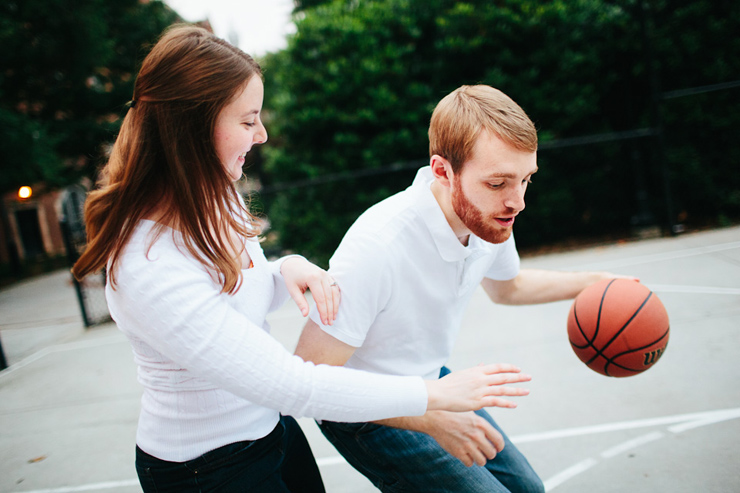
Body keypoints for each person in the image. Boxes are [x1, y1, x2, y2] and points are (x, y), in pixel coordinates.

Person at [71, 28, 533, 493]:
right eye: (249, 119)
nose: (262, 134)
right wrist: (431, 397)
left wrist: (282, 268)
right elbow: (289, 383)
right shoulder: (146, 264)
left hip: (272, 435)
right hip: (205, 470)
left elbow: (231, 295)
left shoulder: (215, 202)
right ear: (193, 126)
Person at [295, 85, 635, 493]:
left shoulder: (489, 218)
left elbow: (509, 288)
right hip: (367, 410)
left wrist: (596, 283)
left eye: (526, 179)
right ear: (442, 171)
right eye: (498, 183)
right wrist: (429, 414)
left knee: (530, 489)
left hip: (431, 381)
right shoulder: (378, 246)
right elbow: (309, 378)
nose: (518, 201)